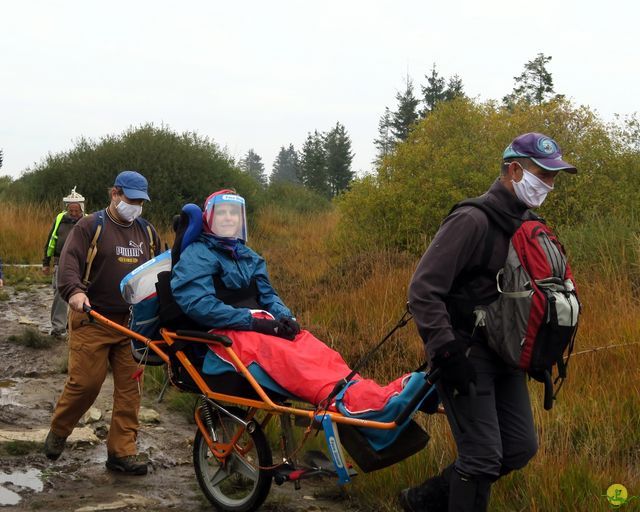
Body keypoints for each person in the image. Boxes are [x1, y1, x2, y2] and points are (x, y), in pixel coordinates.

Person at [400, 133, 578, 512]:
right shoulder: (472, 220)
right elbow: (422, 290)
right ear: (514, 170)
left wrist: (537, 348)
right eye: (542, 175)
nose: (548, 185)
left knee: (519, 446)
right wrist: (445, 351)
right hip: (463, 352)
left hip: (505, 356)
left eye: (553, 177)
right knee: (481, 457)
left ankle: (422, 501)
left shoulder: (529, 224)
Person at [170, 190, 412, 412]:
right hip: (225, 336)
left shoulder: (249, 257)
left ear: (241, 219)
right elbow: (198, 304)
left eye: (234, 213)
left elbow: (268, 296)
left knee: (312, 347)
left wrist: (286, 318)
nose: (228, 218)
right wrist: (253, 323)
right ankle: (352, 405)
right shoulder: (197, 254)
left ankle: (375, 395)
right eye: (221, 213)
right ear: (207, 219)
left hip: (255, 327)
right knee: (290, 359)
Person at [44, 171, 160, 476]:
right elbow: (68, 265)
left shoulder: (147, 232)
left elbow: (160, 272)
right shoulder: (90, 226)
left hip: (131, 325)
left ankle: (122, 452)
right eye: (130, 199)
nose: (135, 205)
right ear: (115, 194)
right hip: (92, 319)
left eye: (140, 201)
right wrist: (75, 293)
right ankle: (59, 429)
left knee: (130, 390)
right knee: (86, 384)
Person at [42, 187, 85, 337]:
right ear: (67, 208)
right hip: (60, 261)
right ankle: (58, 329)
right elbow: (50, 241)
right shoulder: (59, 219)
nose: (73, 214)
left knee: (80, 293)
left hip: (81, 263)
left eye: (76, 211)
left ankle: (77, 326)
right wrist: (46, 263)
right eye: (71, 211)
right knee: (59, 294)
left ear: (82, 209)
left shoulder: (88, 221)